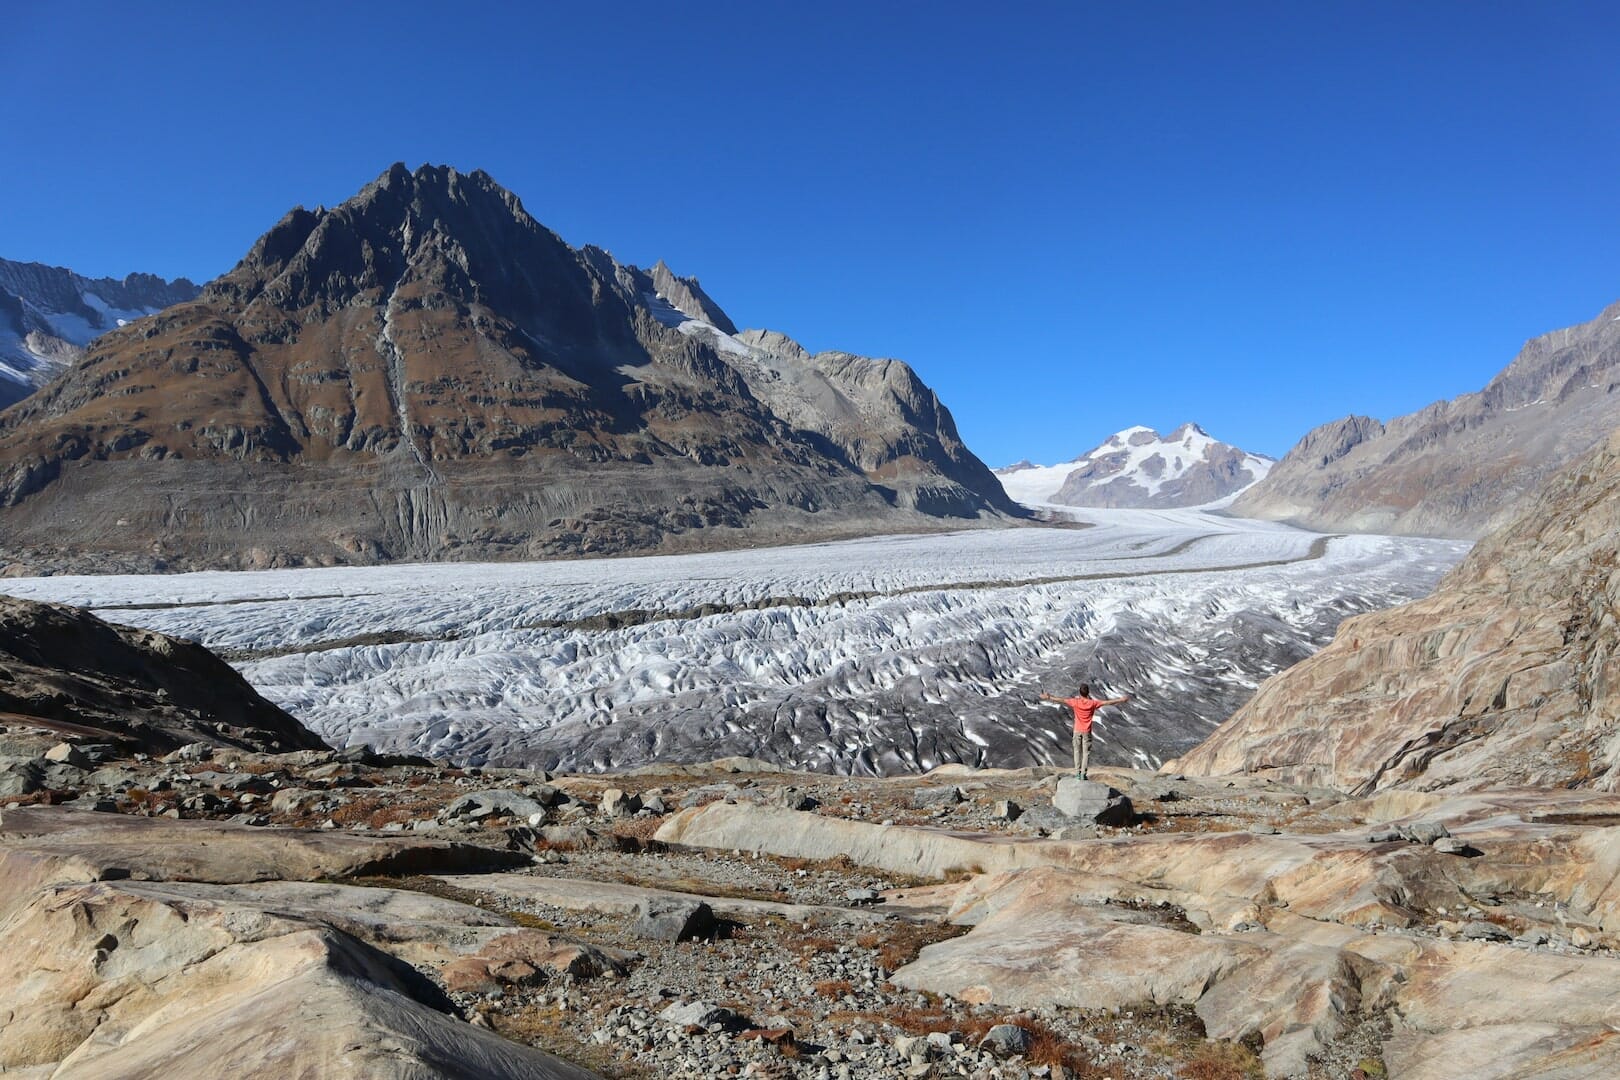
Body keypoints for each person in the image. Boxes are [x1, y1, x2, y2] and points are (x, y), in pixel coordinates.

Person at [1039, 684, 1130, 780]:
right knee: (1086, 753)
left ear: (1080, 693)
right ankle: (1083, 774)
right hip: (1087, 731)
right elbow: (1107, 702)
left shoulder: (1075, 702)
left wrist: (1048, 697)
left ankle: (1077, 773)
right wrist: (1121, 699)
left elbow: (1061, 700)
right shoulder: (1092, 703)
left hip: (1077, 730)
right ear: (1088, 693)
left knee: (1077, 751)